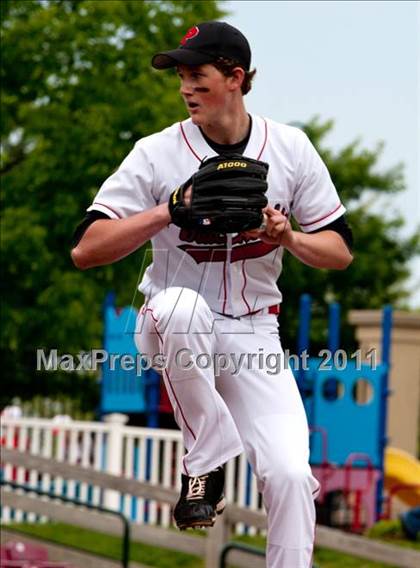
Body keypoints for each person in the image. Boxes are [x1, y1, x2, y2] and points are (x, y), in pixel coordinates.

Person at [71, 20, 353, 568]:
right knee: (181, 306)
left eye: (196, 74)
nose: (184, 86)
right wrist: (167, 210)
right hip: (171, 321)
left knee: (291, 475)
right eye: (180, 75)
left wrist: (288, 236)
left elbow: (340, 250)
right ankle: (207, 459)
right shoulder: (156, 153)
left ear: (235, 77)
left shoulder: (290, 149)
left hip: (254, 333)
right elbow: (85, 247)